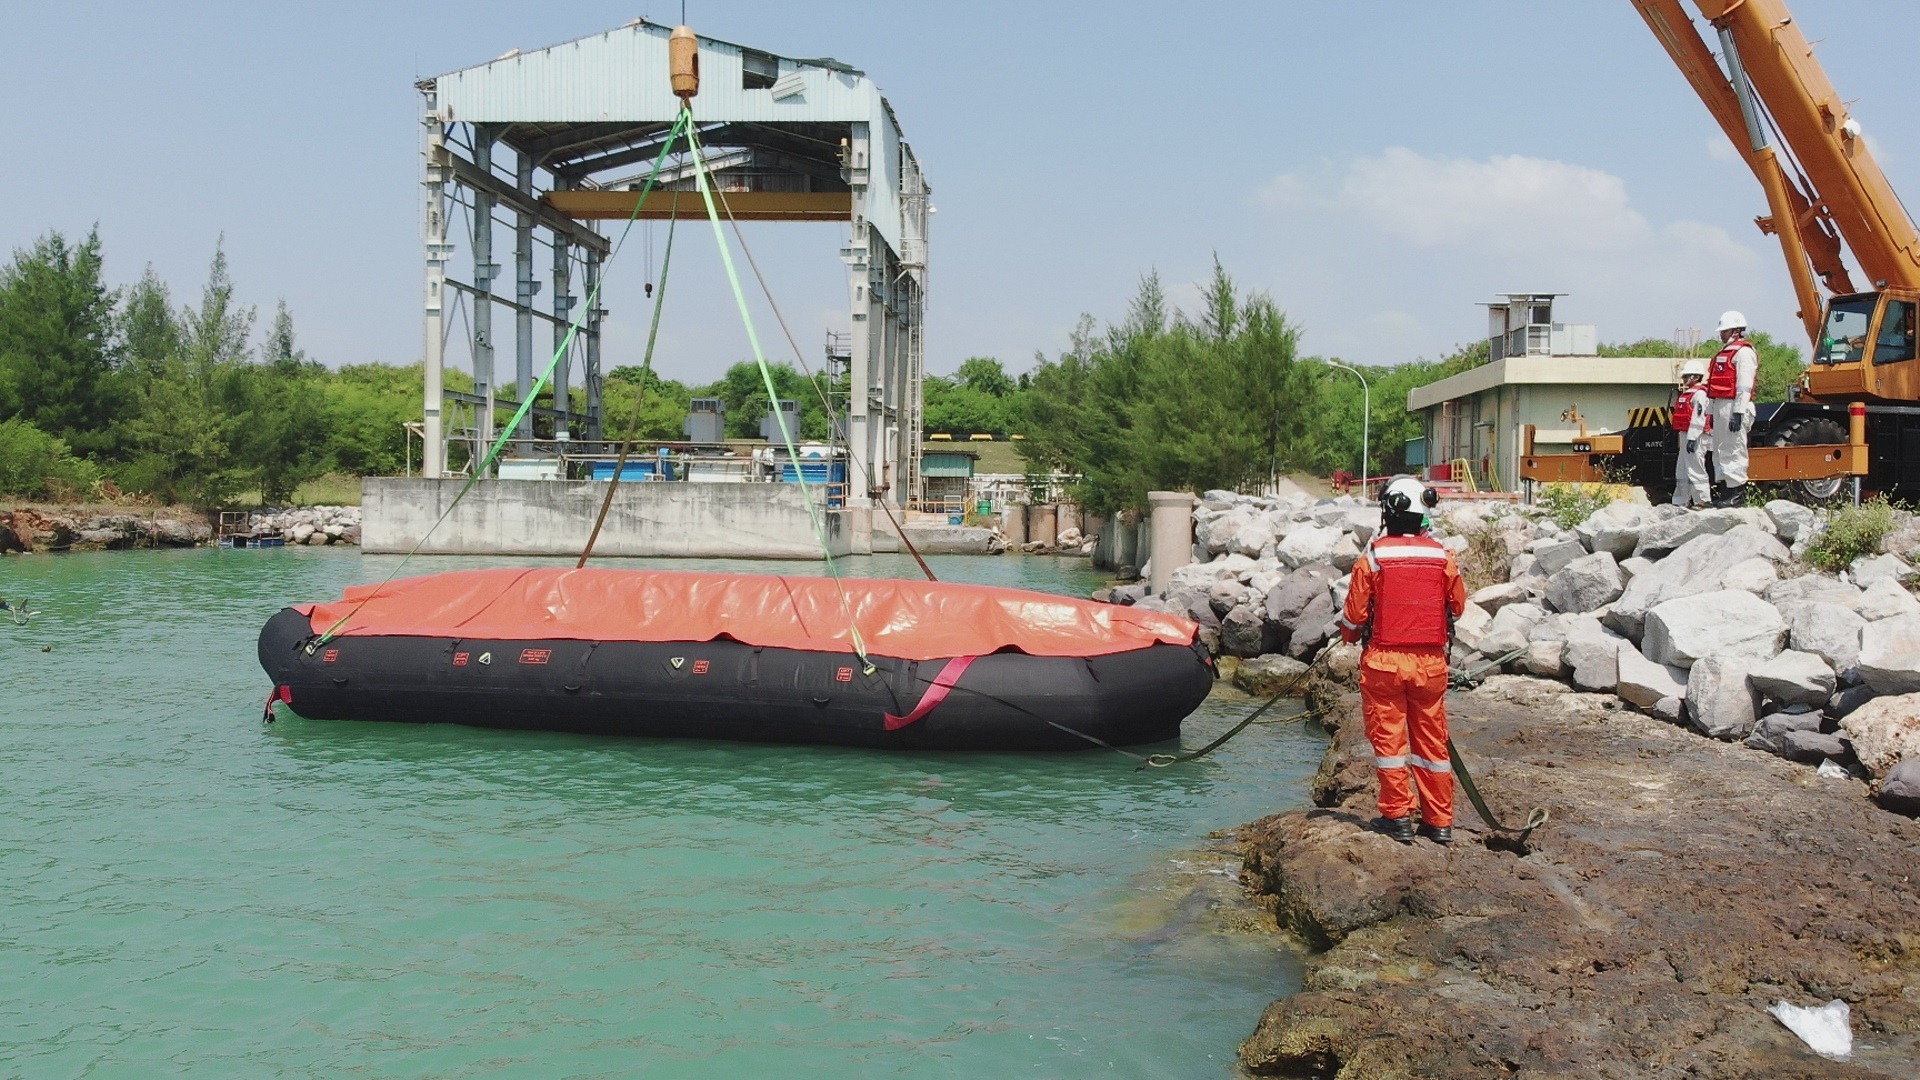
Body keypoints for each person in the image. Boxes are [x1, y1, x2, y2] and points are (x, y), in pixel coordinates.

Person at [1336, 476, 1468, 845]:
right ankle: (1439, 822)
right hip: (1430, 664)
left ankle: (1397, 818)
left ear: (1389, 511)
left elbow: (1354, 616)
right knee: (1433, 745)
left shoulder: (1374, 556)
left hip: (1384, 663)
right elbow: (1457, 605)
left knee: (1390, 744)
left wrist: (1346, 637)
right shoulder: (1444, 556)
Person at [1706, 310, 1757, 507]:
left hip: (1734, 406)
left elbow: (1745, 385)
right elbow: (1714, 387)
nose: (1721, 334)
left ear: (1735, 331)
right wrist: (1710, 414)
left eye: (1724, 331)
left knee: (1734, 449)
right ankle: (1726, 492)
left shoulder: (1744, 353)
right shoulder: (1725, 353)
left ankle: (1737, 494)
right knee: (1720, 450)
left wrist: (1738, 411)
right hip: (1720, 405)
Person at [1671, 359, 1712, 509]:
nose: (1684, 380)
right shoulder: (1687, 394)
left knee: (1696, 468)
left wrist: (1693, 438)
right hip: (1685, 435)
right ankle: (1681, 500)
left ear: (1695, 377)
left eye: (1686, 376)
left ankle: (1702, 500)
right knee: (1681, 470)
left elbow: (1698, 417)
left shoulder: (1700, 394)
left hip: (1696, 436)